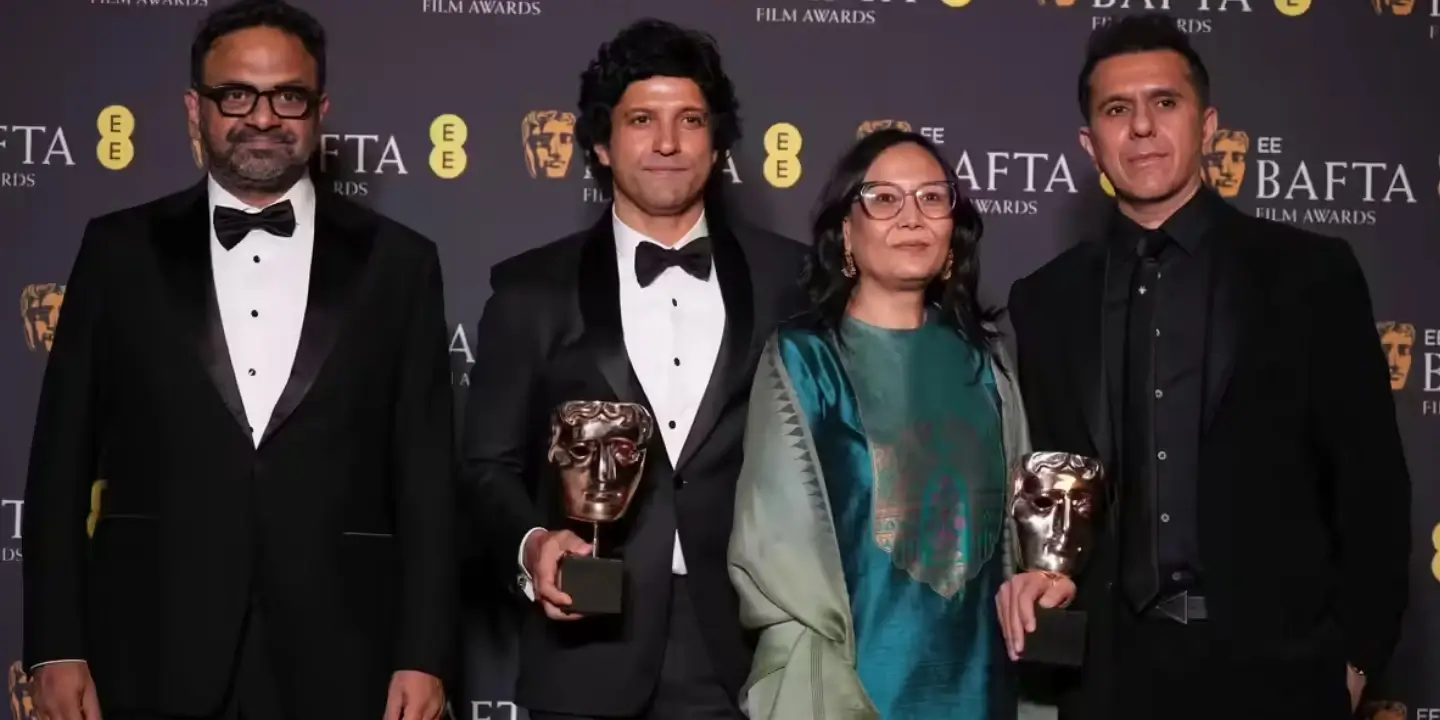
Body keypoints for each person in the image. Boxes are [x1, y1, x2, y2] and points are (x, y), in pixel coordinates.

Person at [21, 1, 456, 718]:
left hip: (344, 652)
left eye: (288, 96)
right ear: (195, 109)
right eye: (236, 96)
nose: (262, 117)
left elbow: (427, 479)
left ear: (320, 111)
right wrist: (54, 645)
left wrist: (425, 652)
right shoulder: (118, 251)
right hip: (149, 642)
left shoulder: (400, 263)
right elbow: (59, 464)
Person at [997, 13, 1409, 720]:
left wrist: (1354, 663)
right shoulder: (1046, 299)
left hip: (1277, 676)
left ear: (1208, 125)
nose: (1143, 127)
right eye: (1117, 110)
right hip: (1108, 681)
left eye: (1165, 102)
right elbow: (1057, 484)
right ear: (1090, 144)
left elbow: (1373, 484)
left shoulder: (1310, 275)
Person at [459, 18, 808, 720]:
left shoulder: (791, 280)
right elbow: (487, 466)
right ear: (601, 142)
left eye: (691, 120)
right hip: (584, 650)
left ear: (717, 142)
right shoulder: (532, 290)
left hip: (747, 649)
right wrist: (532, 545)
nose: (668, 143)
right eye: (642, 119)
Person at [727, 128, 1030, 720]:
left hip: (982, 688)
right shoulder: (804, 360)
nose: (911, 217)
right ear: (846, 231)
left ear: (953, 230)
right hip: (846, 692)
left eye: (932, 198)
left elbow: (1019, 543)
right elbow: (777, 553)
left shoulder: (987, 361)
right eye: (884, 199)